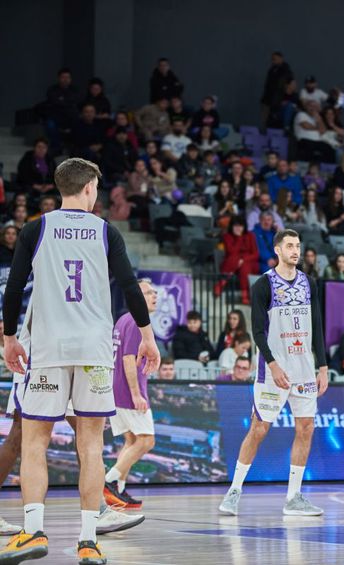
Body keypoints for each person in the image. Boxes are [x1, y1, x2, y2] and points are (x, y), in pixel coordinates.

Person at [1, 158, 159, 564]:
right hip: (94, 352)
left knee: (35, 441)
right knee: (91, 445)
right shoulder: (106, 232)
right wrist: (146, 336)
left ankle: (33, 532)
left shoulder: (36, 229)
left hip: (49, 350)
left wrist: (9, 337)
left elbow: (15, 287)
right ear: (89, 188)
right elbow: (129, 285)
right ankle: (88, 540)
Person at [218, 229, 329, 517]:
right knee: (259, 428)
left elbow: (317, 325)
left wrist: (323, 366)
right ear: (278, 250)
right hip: (273, 371)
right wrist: (273, 364)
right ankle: (234, 490)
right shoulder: (264, 284)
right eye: (290, 245)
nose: (296, 250)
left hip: (304, 370)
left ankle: (294, 497)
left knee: (306, 428)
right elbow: (256, 330)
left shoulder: (309, 283)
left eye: (298, 245)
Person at [102, 279, 159, 510]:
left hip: (115, 389)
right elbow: (128, 359)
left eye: (155, 292)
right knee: (147, 441)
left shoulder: (123, 320)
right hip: (128, 390)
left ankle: (120, 489)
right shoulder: (137, 322)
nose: (154, 295)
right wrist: (136, 394)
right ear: (137, 297)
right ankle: (107, 482)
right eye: (148, 293)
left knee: (132, 440)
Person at [217, 217, 259, 304]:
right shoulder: (227, 236)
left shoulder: (250, 235)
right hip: (232, 261)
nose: (238, 228)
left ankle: (222, 282)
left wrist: (243, 259)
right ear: (231, 226)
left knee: (244, 266)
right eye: (235, 226)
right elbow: (231, 252)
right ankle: (245, 294)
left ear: (244, 227)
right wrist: (239, 238)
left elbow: (255, 254)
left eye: (240, 226)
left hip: (249, 262)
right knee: (234, 259)